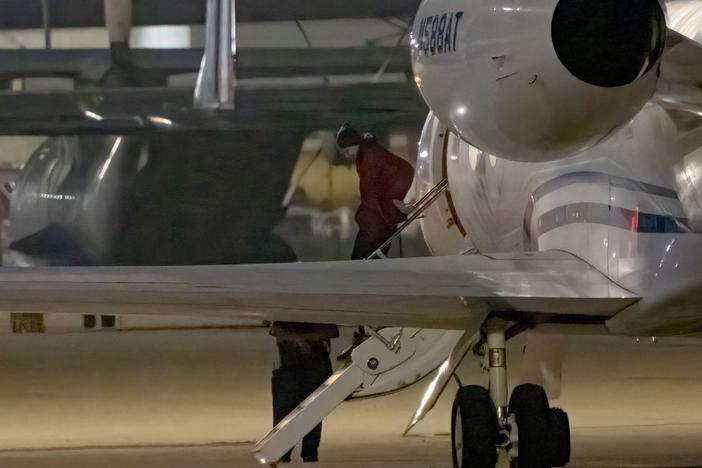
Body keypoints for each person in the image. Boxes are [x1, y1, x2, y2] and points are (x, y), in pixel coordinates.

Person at [335, 123, 415, 259]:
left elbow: (369, 191)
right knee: (374, 235)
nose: (347, 156)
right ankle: (369, 263)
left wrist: (393, 205)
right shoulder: (367, 152)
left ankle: (363, 267)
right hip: (386, 203)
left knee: (369, 232)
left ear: (355, 144)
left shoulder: (369, 159)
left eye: (347, 151)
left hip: (382, 208)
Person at [270, 321, 339, 463]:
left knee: (298, 411)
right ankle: (295, 451)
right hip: (302, 365)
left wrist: (301, 340)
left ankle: (291, 451)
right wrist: (303, 340)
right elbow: (277, 330)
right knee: (296, 411)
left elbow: (277, 330)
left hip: (305, 365)